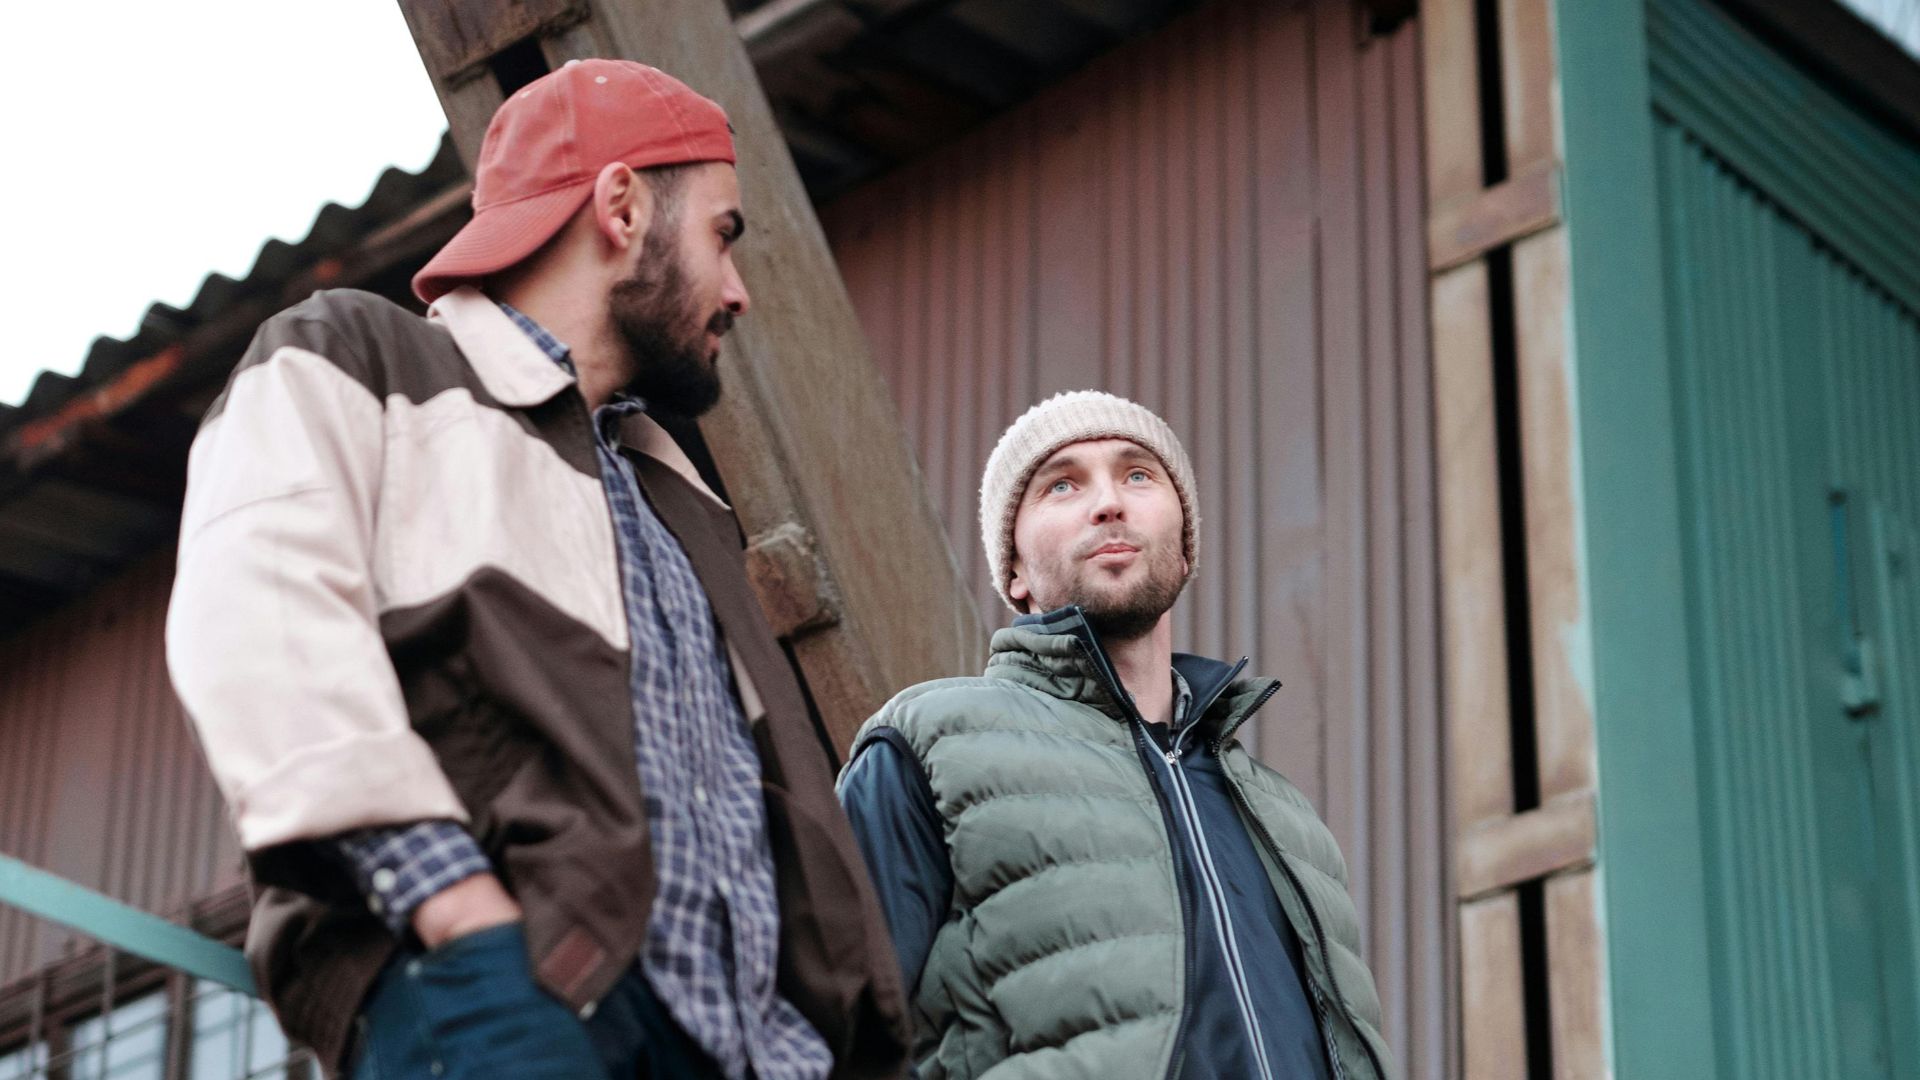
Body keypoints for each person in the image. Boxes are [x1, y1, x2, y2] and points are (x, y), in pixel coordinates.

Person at [166, 59, 908, 1080]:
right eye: (723, 234)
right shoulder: (356, 358)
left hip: (745, 1051)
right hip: (514, 1000)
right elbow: (255, 625)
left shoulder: (677, 491)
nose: (737, 290)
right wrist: (459, 914)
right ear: (622, 207)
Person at [837, 391, 1395, 1080]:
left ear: (1184, 550)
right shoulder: (927, 747)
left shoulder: (1290, 823)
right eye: (1061, 484)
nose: (1108, 503)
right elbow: (835, 1037)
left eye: (1137, 474)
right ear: (1014, 571)